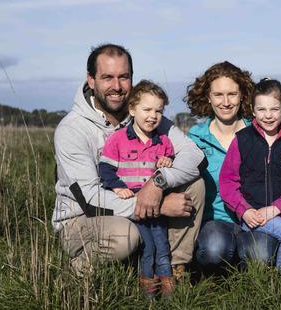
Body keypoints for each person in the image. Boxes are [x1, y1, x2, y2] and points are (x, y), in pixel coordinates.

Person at [52, 44, 205, 280]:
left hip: (132, 204)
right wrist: (157, 206)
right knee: (125, 237)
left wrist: (158, 183)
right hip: (82, 218)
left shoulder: (145, 114)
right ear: (91, 80)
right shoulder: (73, 129)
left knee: (195, 184)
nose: (116, 86)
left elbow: (196, 157)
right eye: (107, 78)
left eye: (123, 77)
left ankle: (172, 269)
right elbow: (89, 199)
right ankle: (77, 271)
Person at [219, 78, 281, 287]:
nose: (268, 115)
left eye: (274, 109)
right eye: (262, 109)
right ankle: (279, 289)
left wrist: (277, 208)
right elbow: (227, 182)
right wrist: (244, 210)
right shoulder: (242, 140)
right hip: (252, 214)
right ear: (253, 111)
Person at [185, 62, 279, 273]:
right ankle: (218, 270)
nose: (226, 102)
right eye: (218, 94)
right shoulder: (195, 138)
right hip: (215, 220)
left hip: (258, 218)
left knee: (261, 257)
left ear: (242, 96)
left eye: (232, 94)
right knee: (214, 250)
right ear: (208, 97)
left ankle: (247, 261)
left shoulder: (260, 133)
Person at [98, 80, 176, 297]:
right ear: (132, 109)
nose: (153, 116)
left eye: (158, 111)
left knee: (162, 247)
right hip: (133, 207)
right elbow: (105, 169)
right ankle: (148, 293)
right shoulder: (118, 139)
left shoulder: (163, 141)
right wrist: (116, 187)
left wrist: (168, 161)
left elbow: (170, 161)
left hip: (156, 207)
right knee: (147, 248)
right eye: (147, 109)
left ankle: (168, 293)